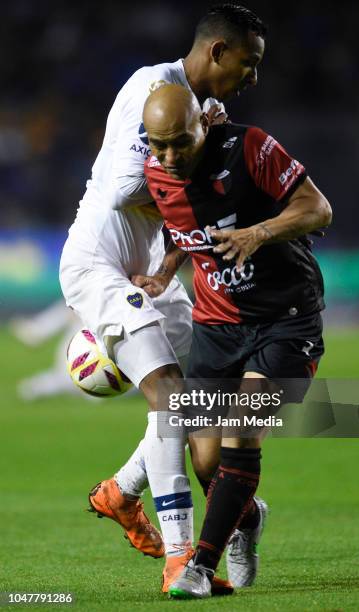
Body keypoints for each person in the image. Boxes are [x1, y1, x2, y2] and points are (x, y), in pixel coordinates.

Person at [59, 3, 267, 594]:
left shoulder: (201, 109)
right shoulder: (155, 88)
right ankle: (182, 557)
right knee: (172, 398)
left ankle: (125, 490)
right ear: (217, 52)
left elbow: (179, 212)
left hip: (150, 269)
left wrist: (174, 257)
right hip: (100, 262)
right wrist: (197, 164)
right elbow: (126, 188)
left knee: (193, 404)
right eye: (248, 64)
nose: (253, 77)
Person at [138, 83, 332, 598]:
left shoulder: (249, 148)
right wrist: (163, 273)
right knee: (205, 460)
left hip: (286, 319)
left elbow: (319, 210)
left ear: (204, 124)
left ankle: (199, 567)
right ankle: (247, 518)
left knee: (240, 434)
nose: (170, 156)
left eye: (181, 141)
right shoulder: (156, 174)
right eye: (159, 145)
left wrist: (259, 232)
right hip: (217, 325)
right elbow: (188, 231)